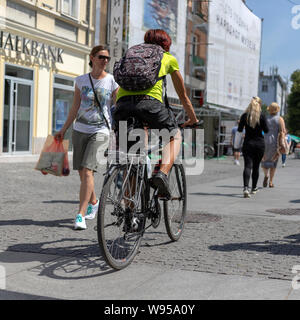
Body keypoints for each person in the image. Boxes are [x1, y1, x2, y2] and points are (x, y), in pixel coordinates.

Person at [113, 29, 199, 198]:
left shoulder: (131, 56)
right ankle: (162, 174)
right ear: (166, 45)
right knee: (174, 136)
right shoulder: (167, 58)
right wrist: (193, 119)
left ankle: (130, 212)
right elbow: (183, 96)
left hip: (122, 106)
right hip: (149, 105)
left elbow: (117, 91)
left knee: (133, 159)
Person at [55, 45, 119, 230]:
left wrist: (120, 129)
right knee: (82, 173)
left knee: (88, 170)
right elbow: (74, 107)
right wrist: (63, 129)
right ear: (92, 58)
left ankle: (80, 215)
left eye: (107, 58)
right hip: (80, 129)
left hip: (100, 131)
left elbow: (117, 106)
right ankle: (94, 201)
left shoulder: (112, 82)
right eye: (101, 57)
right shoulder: (81, 81)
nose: (105, 60)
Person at [237, 96, 269, 198]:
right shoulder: (262, 116)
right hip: (259, 144)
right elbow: (267, 130)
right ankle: (254, 188)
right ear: (259, 105)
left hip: (248, 143)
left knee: (247, 166)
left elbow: (239, 129)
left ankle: (245, 188)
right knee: (256, 167)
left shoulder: (245, 116)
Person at [261, 102, 286, 187]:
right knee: (273, 161)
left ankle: (266, 175)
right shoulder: (280, 119)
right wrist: (283, 143)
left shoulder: (265, 118)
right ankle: (271, 182)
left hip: (264, 140)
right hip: (275, 141)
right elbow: (283, 131)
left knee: (264, 160)